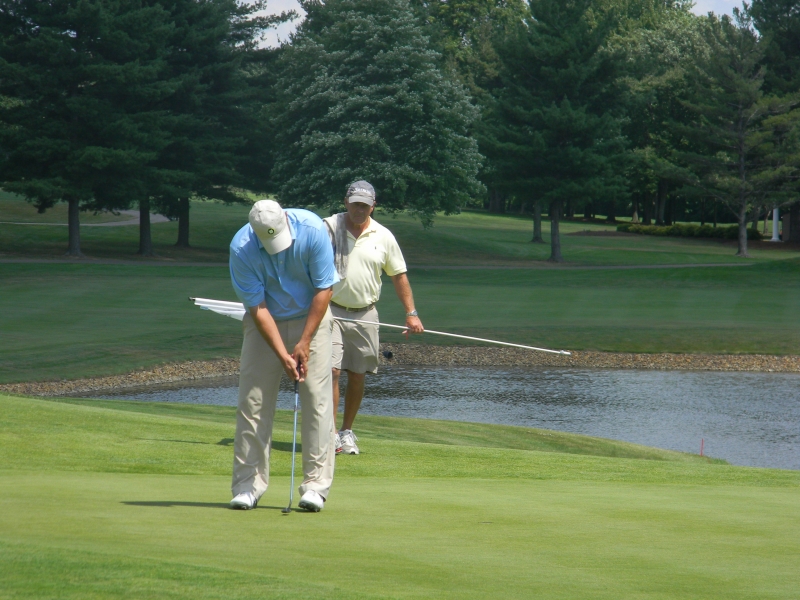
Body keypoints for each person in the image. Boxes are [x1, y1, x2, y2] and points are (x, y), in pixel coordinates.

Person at [228, 200, 339, 512]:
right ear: (254, 232)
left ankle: (315, 487)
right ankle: (247, 486)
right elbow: (258, 308)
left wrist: (304, 341)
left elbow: (324, 289)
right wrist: (283, 354)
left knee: (316, 400)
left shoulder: (312, 230)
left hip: (312, 318)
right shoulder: (241, 248)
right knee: (253, 402)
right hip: (265, 323)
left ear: (286, 221)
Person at [324, 181, 423, 455]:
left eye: (365, 206)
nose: (359, 209)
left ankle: (346, 431)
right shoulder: (328, 228)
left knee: (358, 374)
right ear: (346, 202)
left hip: (366, 313)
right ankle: (330, 435)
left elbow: (398, 275)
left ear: (373, 206)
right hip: (329, 310)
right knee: (331, 371)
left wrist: (411, 314)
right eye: (355, 204)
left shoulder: (383, 235)